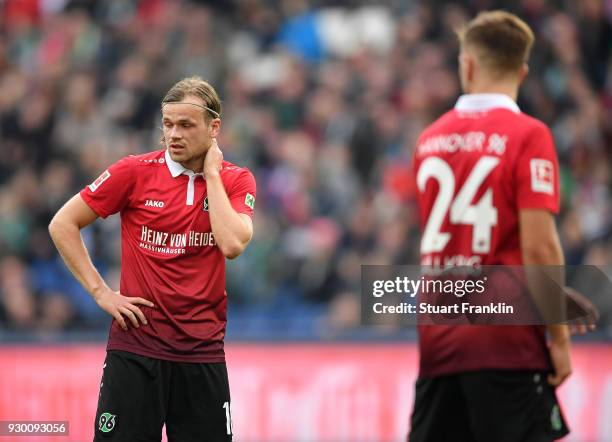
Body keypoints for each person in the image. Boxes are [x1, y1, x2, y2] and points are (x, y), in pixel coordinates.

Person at [49, 76, 256, 441]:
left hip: (201, 354)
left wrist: (210, 175)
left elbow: (233, 244)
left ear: (214, 128)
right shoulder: (134, 172)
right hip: (135, 351)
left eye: (186, 125)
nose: (173, 134)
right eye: (168, 124)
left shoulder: (235, 180)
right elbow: (63, 223)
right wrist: (100, 292)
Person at [409, 11, 572, 442]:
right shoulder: (529, 135)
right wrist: (559, 337)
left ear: (467, 65)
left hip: (439, 341)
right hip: (507, 345)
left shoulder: (430, 139)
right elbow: (540, 249)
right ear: (521, 70)